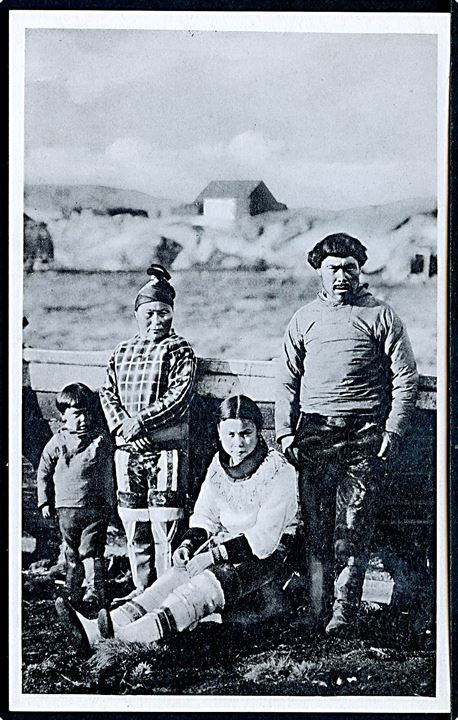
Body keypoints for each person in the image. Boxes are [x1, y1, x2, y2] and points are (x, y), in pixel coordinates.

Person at [54, 395, 299, 654]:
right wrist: (188, 544)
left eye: (246, 433)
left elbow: (264, 540)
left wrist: (210, 557)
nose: (238, 443)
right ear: (219, 431)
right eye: (230, 434)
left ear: (259, 431)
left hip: (268, 556)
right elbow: (206, 515)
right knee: (171, 579)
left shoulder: (277, 470)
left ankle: (127, 637)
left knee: (200, 588)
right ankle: (100, 627)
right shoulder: (219, 465)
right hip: (226, 545)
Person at [275, 233, 418, 637]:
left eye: (349, 268)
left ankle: (344, 613)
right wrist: (285, 432)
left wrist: (395, 427)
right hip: (315, 433)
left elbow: (406, 377)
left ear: (361, 271)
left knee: (351, 528)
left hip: (364, 434)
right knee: (316, 526)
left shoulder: (380, 314)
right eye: (333, 268)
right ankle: (316, 609)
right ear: (319, 272)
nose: (342, 276)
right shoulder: (303, 318)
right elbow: (287, 380)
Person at [99, 265, 197, 601]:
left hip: (166, 452)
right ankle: (141, 589)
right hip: (127, 452)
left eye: (164, 313)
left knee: (166, 526)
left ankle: (166, 594)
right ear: (137, 314)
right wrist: (122, 429)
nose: (157, 321)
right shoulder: (121, 351)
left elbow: (178, 397)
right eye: (150, 313)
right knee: (134, 524)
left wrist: (139, 421)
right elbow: (107, 392)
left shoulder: (179, 349)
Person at [37, 383, 114, 606]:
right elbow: (43, 471)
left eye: (87, 414)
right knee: (71, 551)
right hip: (66, 508)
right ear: (63, 416)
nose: (84, 420)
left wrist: (110, 500)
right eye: (77, 415)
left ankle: (94, 590)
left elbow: (110, 469)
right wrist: (44, 501)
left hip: (95, 507)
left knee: (92, 551)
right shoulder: (58, 442)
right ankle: (72, 589)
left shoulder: (100, 439)